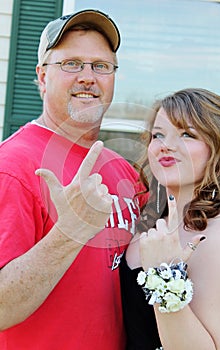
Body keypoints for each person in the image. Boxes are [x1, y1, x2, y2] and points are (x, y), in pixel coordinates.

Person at [0, 9, 146, 350]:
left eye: (101, 66)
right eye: (71, 64)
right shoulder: (12, 167)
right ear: (42, 76)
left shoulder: (124, 171)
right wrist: (69, 233)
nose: (87, 77)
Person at [120, 88, 220, 349]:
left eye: (187, 134)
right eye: (158, 135)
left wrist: (165, 277)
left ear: (219, 147)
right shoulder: (150, 216)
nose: (166, 145)